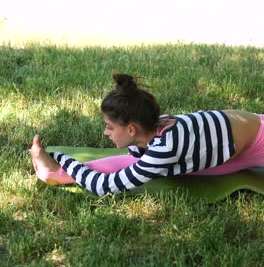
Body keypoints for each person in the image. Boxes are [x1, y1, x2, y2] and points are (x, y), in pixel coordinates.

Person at [30, 73, 264, 197]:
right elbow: (136, 158)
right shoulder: (160, 128)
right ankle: (56, 172)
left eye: (110, 127)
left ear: (132, 129)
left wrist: (65, 160)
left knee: (146, 165)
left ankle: (57, 173)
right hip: (242, 141)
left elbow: (104, 186)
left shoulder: (165, 147)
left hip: (256, 141)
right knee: (143, 163)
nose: (105, 132)